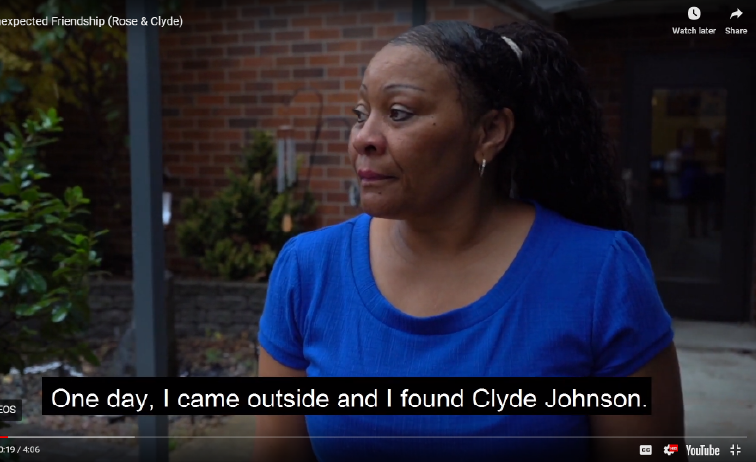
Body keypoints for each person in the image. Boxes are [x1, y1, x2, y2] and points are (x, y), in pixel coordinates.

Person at [254, 21, 686, 462]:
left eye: (399, 112)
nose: (363, 139)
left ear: (489, 132)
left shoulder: (601, 275)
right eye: (361, 114)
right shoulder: (308, 269)